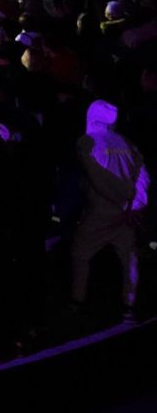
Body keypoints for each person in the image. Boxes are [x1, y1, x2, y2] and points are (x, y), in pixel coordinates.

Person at [69, 99, 148, 314]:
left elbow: (97, 178)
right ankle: (130, 303)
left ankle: (77, 300)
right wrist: (136, 204)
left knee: (80, 254)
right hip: (128, 212)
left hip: (101, 211)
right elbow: (143, 176)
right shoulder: (127, 143)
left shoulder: (87, 142)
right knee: (129, 258)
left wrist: (122, 199)